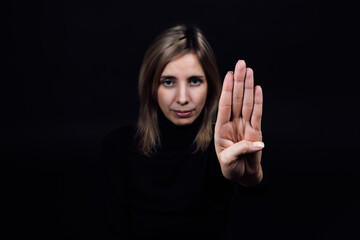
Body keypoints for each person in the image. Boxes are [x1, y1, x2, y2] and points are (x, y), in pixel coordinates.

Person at [102, 24, 265, 240]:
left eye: (195, 81)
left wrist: (251, 178)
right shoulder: (119, 148)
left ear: (211, 86)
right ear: (151, 87)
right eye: (168, 82)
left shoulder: (227, 148)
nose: (182, 98)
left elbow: (255, 222)